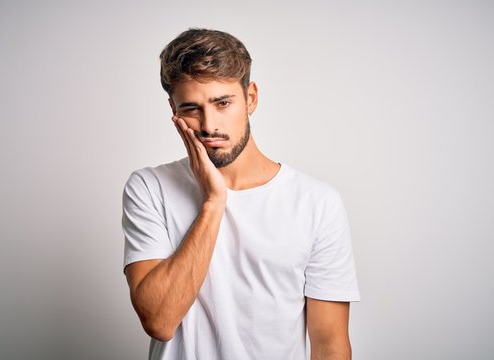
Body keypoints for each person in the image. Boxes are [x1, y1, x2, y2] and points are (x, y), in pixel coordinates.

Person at [122, 28, 361, 360]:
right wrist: (213, 202)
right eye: (191, 108)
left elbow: (329, 345)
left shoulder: (316, 202)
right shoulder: (150, 187)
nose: (208, 125)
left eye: (223, 103)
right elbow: (159, 321)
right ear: (173, 110)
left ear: (250, 98)